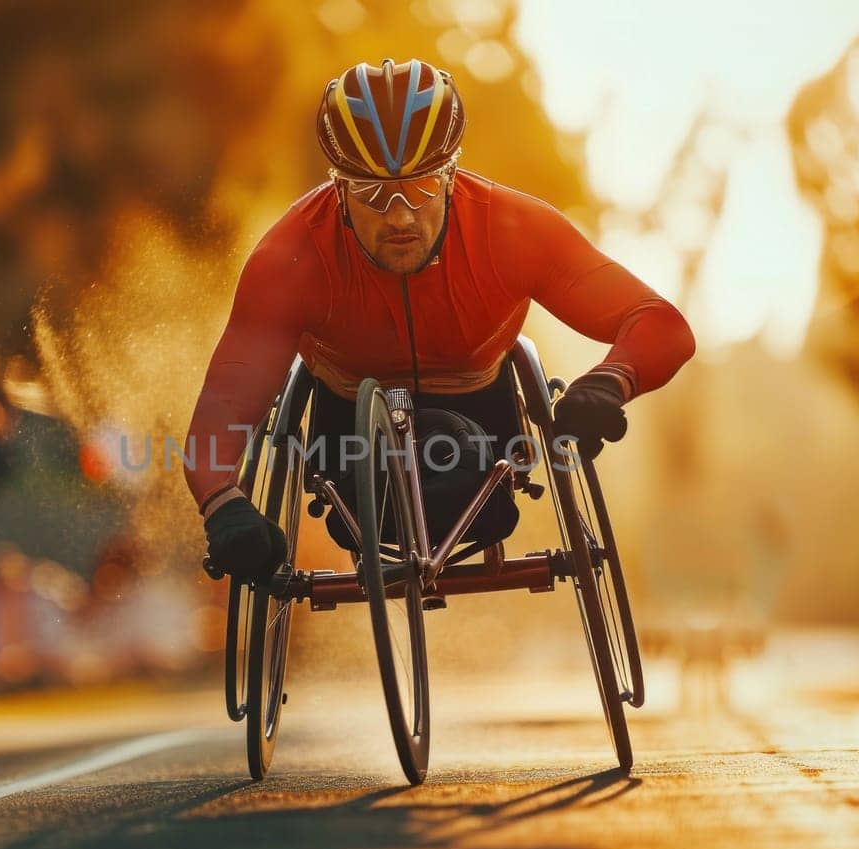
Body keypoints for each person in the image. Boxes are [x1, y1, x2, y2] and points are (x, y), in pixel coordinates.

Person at [186, 59, 695, 582]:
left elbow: (661, 324)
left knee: (475, 480)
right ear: (338, 187)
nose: (402, 215)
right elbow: (225, 405)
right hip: (348, 439)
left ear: (452, 174)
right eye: (373, 193)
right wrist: (224, 504)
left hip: (483, 423)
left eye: (423, 186)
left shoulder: (511, 229)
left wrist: (610, 381)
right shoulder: (289, 259)